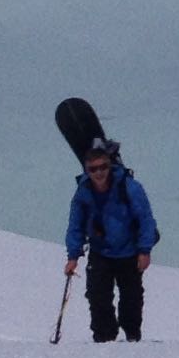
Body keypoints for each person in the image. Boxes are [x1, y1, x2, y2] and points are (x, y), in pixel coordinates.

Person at [63, 136, 158, 342]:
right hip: (101, 253)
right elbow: (76, 225)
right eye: (93, 169)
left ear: (109, 165)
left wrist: (145, 250)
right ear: (87, 170)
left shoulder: (130, 187)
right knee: (98, 298)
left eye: (103, 167)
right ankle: (104, 341)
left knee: (131, 301)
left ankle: (132, 338)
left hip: (129, 252)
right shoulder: (83, 192)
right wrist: (73, 256)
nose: (99, 173)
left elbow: (146, 219)